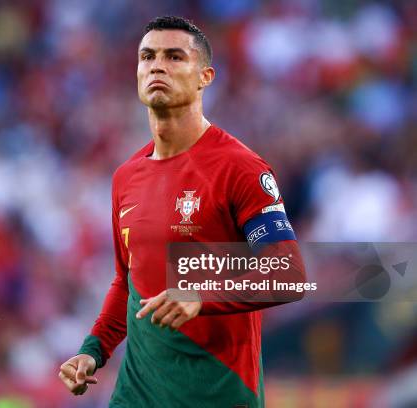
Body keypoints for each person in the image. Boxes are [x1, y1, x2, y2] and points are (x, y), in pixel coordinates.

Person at [58, 16, 306, 407]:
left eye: (174, 57)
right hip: (136, 394)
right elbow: (127, 282)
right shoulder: (126, 177)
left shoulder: (239, 168)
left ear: (204, 76)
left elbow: (288, 273)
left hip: (216, 393)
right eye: (147, 56)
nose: (157, 65)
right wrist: (93, 350)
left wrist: (201, 294)